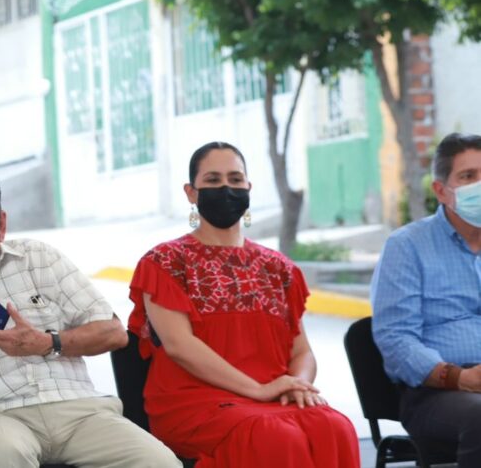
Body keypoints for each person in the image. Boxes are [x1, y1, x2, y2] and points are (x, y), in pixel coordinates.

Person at [0, 171, 179, 468]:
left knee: (159, 462)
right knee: (2, 455)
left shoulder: (39, 258)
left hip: (79, 413)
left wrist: (48, 342)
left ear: (2, 225)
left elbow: (114, 333)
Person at [127, 142, 359, 467]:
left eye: (235, 180)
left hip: (273, 395)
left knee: (335, 427)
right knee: (274, 436)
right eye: (213, 180)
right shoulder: (165, 262)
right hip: (195, 400)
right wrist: (257, 390)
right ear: (191, 192)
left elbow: (301, 351)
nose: (226, 188)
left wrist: (298, 384)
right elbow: (179, 346)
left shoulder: (278, 267)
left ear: (248, 188)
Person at [371, 132, 481, 463]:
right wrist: (459, 378)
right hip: (438, 391)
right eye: (468, 176)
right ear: (440, 190)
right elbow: (396, 338)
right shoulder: (408, 246)